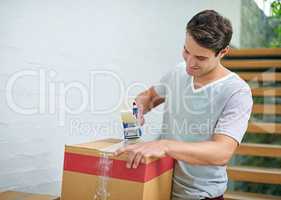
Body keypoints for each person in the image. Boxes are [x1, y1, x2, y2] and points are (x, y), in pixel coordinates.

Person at [115, 10, 253, 200]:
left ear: (223, 52)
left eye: (201, 58)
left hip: (200, 195)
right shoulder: (178, 72)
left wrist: (164, 145)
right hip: (158, 185)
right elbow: (148, 97)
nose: (189, 63)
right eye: (186, 51)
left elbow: (221, 152)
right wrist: (136, 111)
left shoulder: (237, 92)